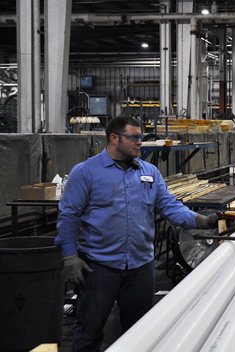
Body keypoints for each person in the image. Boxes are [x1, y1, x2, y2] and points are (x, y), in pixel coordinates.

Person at [55, 116, 220, 351]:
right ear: (114, 138)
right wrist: (70, 257)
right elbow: (68, 216)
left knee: (140, 332)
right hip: (99, 268)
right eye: (134, 137)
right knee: (90, 331)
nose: (140, 142)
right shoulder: (86, 173)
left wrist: (201, 221)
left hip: (140, 268)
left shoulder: (149, 172)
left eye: (141, 137)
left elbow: (169, 206)